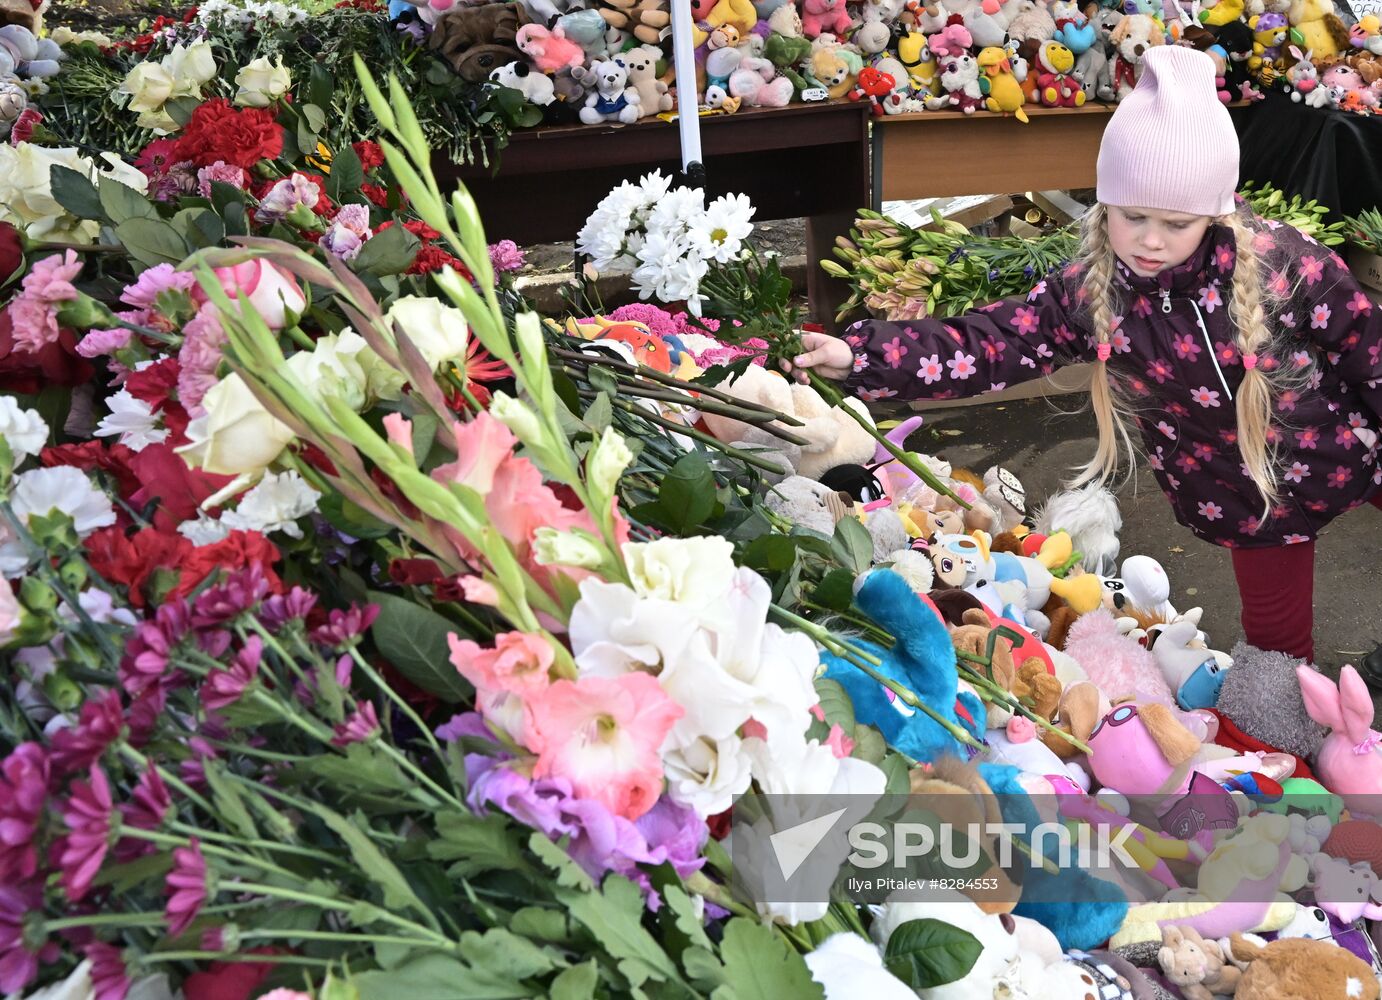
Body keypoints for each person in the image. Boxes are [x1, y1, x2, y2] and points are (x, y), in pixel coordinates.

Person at [787, 45, 1382, 671]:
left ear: (1215, 212)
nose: (1151, 240)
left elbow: (1368, 351)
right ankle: (1298, 740)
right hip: (1240, 492)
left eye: (1177, 223)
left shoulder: (1288, 264)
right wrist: (862, 355)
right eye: (1133, 216)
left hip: (1350, 447)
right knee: (1276, 655)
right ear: (1105, 205)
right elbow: (990, 343)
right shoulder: (1094, 289)